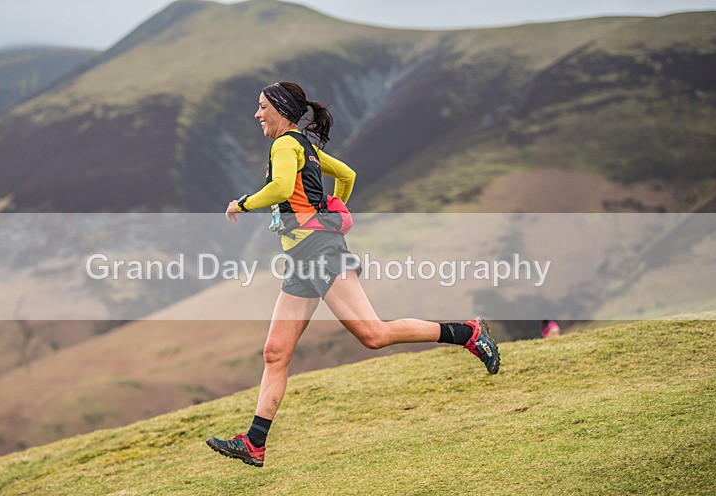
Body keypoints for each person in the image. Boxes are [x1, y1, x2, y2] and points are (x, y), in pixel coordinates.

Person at [206, 81, 500, 468]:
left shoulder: (285, 145)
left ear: (279, 108)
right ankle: (255, 441)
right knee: (275, 353)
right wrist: (330, 211)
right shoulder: (305, 147)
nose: (257, 114)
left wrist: (242, 205)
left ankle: (468, 332)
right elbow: (347, 176)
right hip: (301, 260)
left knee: (373, 335)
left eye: (262, 107)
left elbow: (279, 187)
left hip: (320, 253)